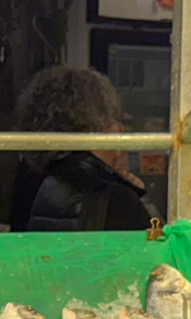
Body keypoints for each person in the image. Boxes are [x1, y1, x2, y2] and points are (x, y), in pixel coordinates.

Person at [9, 66, 154, 232]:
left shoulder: (30, 178)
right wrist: (135, 195)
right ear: (95, 124)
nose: (121, 128)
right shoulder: (112, 196)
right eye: (113, 118)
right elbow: (156, 242)